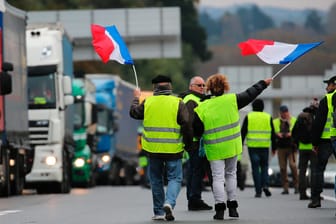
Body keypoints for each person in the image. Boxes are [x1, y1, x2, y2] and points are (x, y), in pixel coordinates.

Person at [193, 73, 273, 220]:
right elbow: (250, 94)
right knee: (231, 174)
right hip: (232, 146)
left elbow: (197, 130)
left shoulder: (202, 107)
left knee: (217, 178)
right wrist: (263, 83)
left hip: (214, 148)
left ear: (209, 88)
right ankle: (233, 207)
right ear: (225, 87)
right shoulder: (233, 100)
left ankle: (219, 209)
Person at [129, 75, 192, 221]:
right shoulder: (178, 102)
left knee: (156, 179)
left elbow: (134, 113)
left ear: (154, 88)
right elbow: (187, 125)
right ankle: (169, 202)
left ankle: (158, 212)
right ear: (170, 87)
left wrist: (136, 98)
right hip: (173, 150)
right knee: (175, 178)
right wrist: (188, 145)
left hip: (153, 149)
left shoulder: (148, 102)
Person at [179, 76, 212, 211]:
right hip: (194, 142)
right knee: (196, 171)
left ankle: (193, 198)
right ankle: (194, 199)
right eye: (199, 85)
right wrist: (190, 142)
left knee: (195, 171)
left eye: (204, 85)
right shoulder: (190, 100)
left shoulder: (198, 99)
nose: (203, 87)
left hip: (197, 142)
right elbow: (188, 124)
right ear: (191, 87)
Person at [308, 76, 336, 208]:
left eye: (329, 85)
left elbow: (318, 123)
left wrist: (314, 142)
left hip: (326, 139)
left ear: (335, 85)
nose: (327, 88)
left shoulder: (328, 99)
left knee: (318, 169)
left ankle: (316, 199)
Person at [241, 98, 276, 198]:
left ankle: (258, 191)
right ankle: (265, 185)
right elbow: (273, 134)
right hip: (265, 147)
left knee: (255, 168)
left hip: (253, 147)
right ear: (263, 107)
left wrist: (240, 145)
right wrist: (274, 148)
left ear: (253, 107)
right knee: (265, 167)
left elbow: (243, 132)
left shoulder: (249, 116)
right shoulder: (268, 117)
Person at [292, 98, 319, 200]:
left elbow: (294, 132)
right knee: (314, 171)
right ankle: (314, 194)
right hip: (313, 147)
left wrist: (296, 143)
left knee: (302, 171)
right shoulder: (316, 116)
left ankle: (302, 193)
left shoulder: (300, 116)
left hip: (302, 147)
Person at [273, 105, 298, 194]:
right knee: (283, 168)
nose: (284, 114)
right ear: (280, 113)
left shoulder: (294, 120)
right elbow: (274, 132)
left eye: (285, 112)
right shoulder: (275, 121)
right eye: (282, 113)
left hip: (291, 147)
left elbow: (296, 131)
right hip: (281, 147)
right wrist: (278, 134)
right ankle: (285, 187)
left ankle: (296, 186)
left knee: (293, 165)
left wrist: (290, 131)